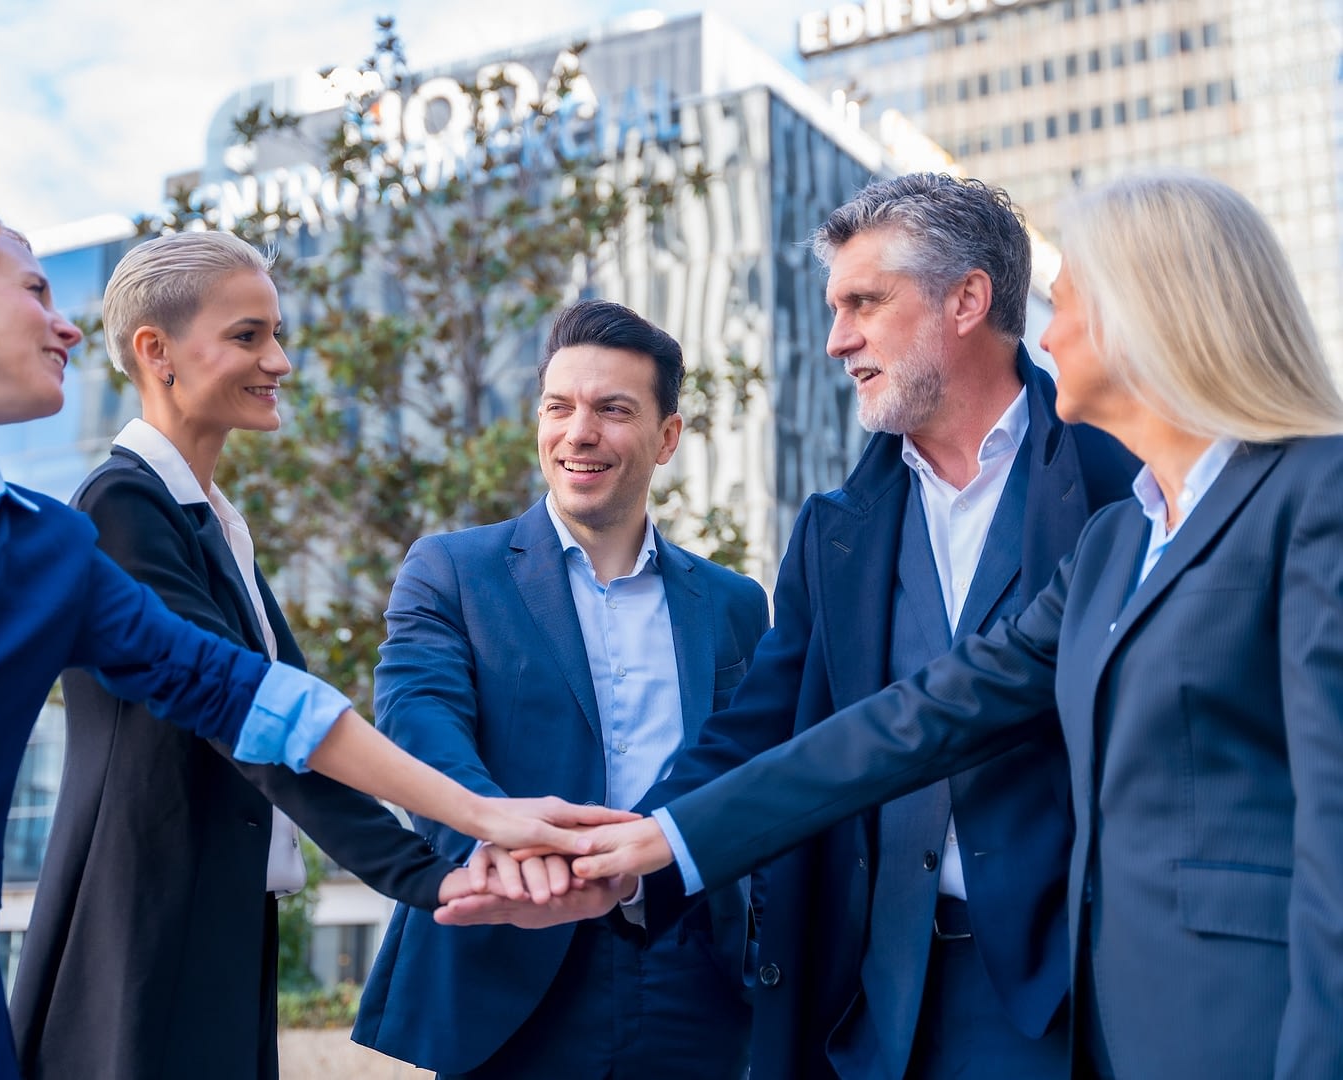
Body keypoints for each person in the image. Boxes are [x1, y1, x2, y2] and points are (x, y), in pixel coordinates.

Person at [0, 209, 625, 1079]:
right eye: (36, 289)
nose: (69, 326)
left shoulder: (47, 551)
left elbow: (254, 700)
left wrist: (481, 824)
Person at [565, 172, 1343, 1079]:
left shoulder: (1305, 495)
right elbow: (910, 721)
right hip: (897, 1003)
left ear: (1152, 306)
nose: (1050, 328)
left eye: (1074, 298)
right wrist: (660, 841)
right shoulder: (1118, 539)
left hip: (1171, 1017)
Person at [654, 173, 1134, 1079]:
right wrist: (633, 849)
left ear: (967, 299)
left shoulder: (1121, 481)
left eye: (865, 303)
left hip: (1072, 997)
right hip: (877, 1005)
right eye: (837, 307)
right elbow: (757, 732)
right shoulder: (835, 526)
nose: (839, 339)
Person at [8, 232, 493, 1079]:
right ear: (155, 352)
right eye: (247, 336)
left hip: (217, 916)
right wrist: (430, 874)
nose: (280, 360)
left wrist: (445, 862)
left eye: (276, 334)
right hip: (142, 927)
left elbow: (303, 720)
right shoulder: (123, 507)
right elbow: (259, 729)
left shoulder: (211, 522)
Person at [353, 300, 771, 1079]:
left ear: (667, 437)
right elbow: (419, 715)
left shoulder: (734, 604)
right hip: (506, 956)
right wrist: (497, 836)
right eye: (559, 407)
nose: (579, 432)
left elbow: (746, 759)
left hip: (692, 966)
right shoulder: (451, 569)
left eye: (613, 410)